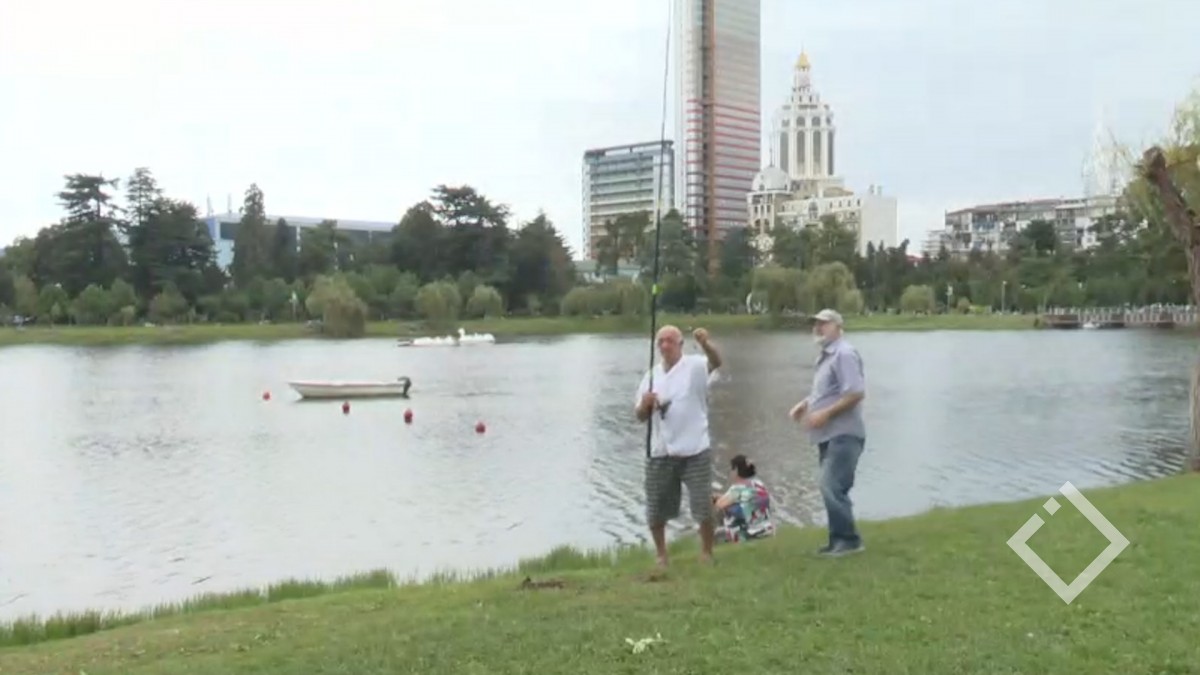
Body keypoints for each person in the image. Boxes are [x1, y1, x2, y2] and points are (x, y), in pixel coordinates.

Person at [635, 324, 722, 567]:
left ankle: (707, 552)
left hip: (695, 448)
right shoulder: (651, 376)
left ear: (680, 344)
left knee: (702, 504)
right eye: (660, 341)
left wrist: (705, 344)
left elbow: (716, 362)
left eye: (670, 341)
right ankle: (661, 555)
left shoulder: (695, 366)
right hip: (660, 450)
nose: (665, 346)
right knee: (655, 507)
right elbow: (639, 416)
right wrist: (646, 404)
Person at [789, 308, 867, 557]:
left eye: (823, 323)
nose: (818, 327)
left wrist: (826, 414)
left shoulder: (844, 353)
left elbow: (855, 393)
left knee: (829, 484)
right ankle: (837, 541)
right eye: (815, 323)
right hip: (828, 435)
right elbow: (826, 392)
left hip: (844, 433)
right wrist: (805, 404)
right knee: (832, 487)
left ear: (838, 326)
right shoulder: (826, 357)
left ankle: (849, 540)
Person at [713, 454, 775, 543]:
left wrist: (715, 499)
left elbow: (719, 504)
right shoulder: (758, 483)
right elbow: (744, 497)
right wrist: (723, 497)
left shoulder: (737, 488)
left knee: (718, 505)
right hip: (766, 528)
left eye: (731, 469)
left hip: (749, 532)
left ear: (736, 470)